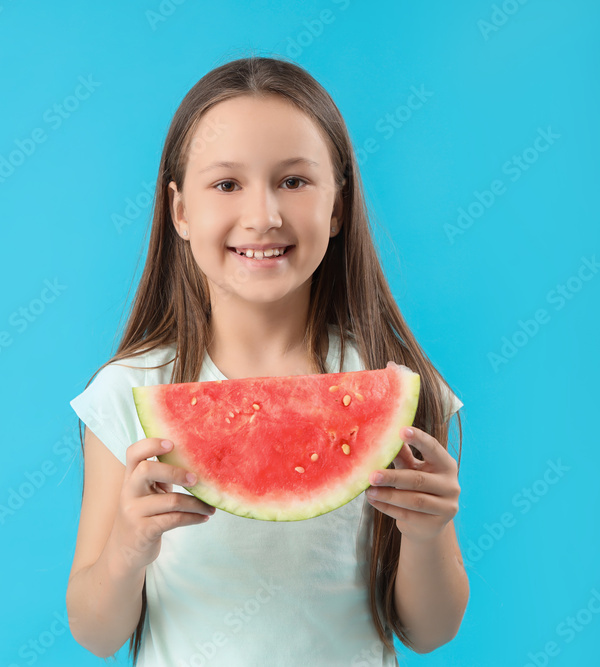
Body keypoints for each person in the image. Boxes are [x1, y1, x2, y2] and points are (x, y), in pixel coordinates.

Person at [65, 55, 468, 666]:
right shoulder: (129, 392)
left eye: (294, 181)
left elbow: (430, 631)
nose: (263, 216)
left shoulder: (400, 387)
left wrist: (427, 531)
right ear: (179, 210)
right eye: (227, 184)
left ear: (337, 206)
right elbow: (95, 634)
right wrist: (129, 545)